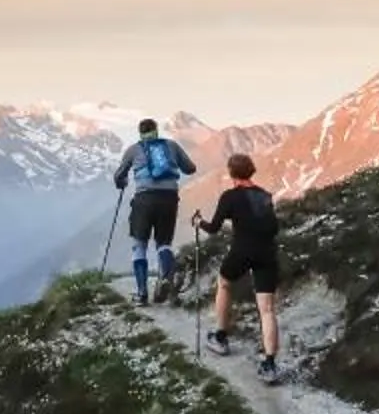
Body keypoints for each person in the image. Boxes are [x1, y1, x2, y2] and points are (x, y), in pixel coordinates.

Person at [195, 151, 285, 380]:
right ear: (251, 170)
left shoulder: (230, 197)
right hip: (267, 254)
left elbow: (214, 228)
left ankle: (221, 336)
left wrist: (198, 222)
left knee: (224, 283)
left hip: (242, 251)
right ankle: (270, 363)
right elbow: (274, 228)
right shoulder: (265, 196)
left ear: (231, 172)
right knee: (267, 309)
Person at [112, 117, 196, 303]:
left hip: (144, 199)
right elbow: (190, 168)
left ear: (140, 133)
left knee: (139, 244)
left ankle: (142, 294)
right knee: (164, 242)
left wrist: (123, 182)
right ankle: (165, 279)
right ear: (157, 131)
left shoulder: (134, 149)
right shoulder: (171, 146)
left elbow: (119, 175)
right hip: (169, 198)